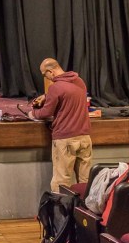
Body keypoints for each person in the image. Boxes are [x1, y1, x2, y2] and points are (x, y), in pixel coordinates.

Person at [31, 58, 92, 193]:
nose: (45, 77)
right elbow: (68, 93)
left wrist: (33, 113)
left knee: (62, 181)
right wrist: (47, 96)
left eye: (44, 74)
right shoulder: (80, 81)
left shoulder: (55, 88)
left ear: (50, 71)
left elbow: (46, 112)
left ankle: (60, 213)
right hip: (85, 138)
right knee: (86, 180)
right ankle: (85, 212)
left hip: (65, 139)